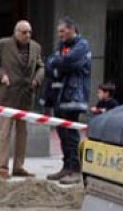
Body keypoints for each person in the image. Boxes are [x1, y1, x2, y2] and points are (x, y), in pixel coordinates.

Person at [0, 20, 44, 179]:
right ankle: (2, 167)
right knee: (4, 132)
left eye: (29, 32)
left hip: (26, 96)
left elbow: (41, 66)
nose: (27, 35)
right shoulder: (3, 45)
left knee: (22, 133)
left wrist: (37, 79)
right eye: (24, 32)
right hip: (7, 96)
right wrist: (1, 75)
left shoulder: (35, 47)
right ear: (16, 32)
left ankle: (19, 166)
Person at [45, 17, 91, 185]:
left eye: (62, 31)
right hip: (60, 96)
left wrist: (59, 64)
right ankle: (66, 166)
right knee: (62, 133)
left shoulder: (82, 46)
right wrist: (59, 64)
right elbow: (50, 63)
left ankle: (76, 169)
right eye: (59, 32)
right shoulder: (61, 47)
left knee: (71, 134)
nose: (60, 35)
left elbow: (70, 62)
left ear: (72, 29)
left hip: (74, 97)